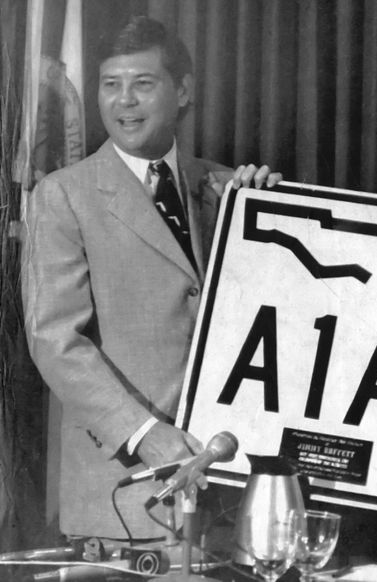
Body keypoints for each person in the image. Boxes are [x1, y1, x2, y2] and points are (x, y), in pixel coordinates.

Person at [21, 16, 281, 541]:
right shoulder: (63, 195)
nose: (124, 102)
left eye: (143, 84)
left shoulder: (229, 189)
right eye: (109, 85)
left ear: (182, 91)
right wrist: (144, 433)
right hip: (128, 493)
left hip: (232, 496)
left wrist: (270, 218)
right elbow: (55, 340)